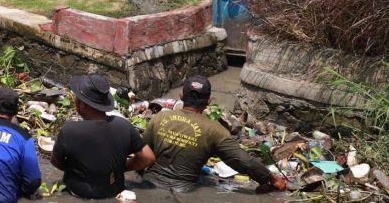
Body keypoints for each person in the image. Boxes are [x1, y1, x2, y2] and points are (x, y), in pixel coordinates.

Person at [142, 75, 288, 194]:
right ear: (209, 101)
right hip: (183, 191)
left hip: (148, 184)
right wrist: (272, 179)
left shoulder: (159, 118)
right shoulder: (215, 131)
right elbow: (244, 161)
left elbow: (141, 155)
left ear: (181, 96)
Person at [50, 75, 155, 199]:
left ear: (82, 104)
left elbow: (55, 161)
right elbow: (148, 157)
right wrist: (122, 167)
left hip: (78, 192)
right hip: (114, 192)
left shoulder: (69, 130)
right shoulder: (124, 126)